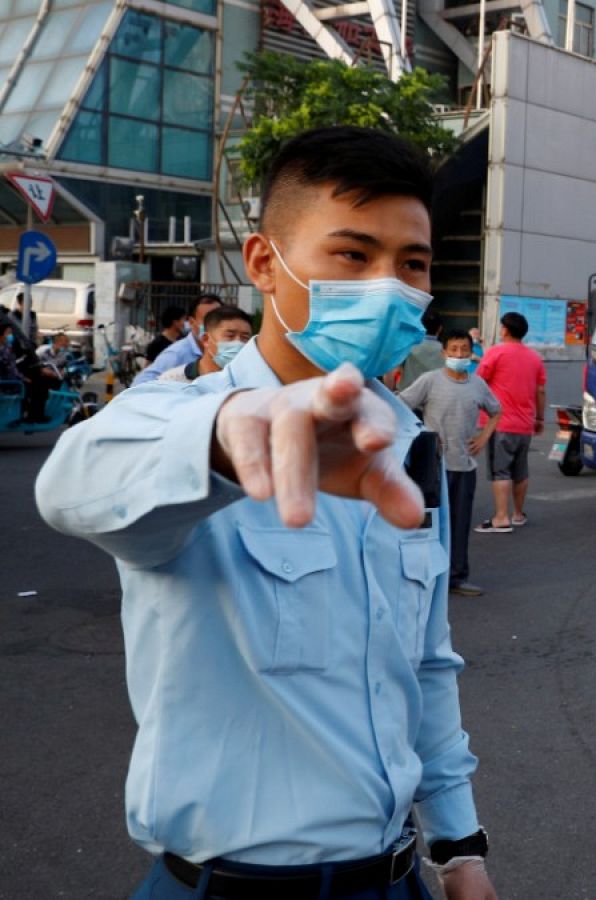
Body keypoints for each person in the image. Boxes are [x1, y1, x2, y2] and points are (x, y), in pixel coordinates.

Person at [34, 126, 498, 900]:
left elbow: (423, 668)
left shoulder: (401, 449)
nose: (389, 286)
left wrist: (461, 846)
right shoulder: (181, 420)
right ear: (264, 264)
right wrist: (226, 437)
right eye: (352, 255)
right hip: (229, 887)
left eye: (411, 264)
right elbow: (71, 484)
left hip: (397, 880)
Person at [401, 329, 501, 597]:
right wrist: (418, 436)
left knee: (459, 524)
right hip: (432, 469)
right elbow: (400, 404)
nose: (459, 355)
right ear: (444, 353)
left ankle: (457, 577)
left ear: (471, 353)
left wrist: (483, 436)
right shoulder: (430, 380)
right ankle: (423, 576)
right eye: (454, 350)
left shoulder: (478, 385)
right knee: (427, 525)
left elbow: (496, 411)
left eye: (464, 350)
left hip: (464, 467)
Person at [475, 311, 545, 533]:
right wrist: (540, 418)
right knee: (520, 471)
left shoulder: (496, 353)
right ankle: (517, 514)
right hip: (525, 425)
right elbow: (540, 390)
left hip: (500, 424)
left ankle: (501, 517)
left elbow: (478, 382)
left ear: (505, 329)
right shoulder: (535, 358)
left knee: (501, 471)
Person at [133, 293, 222, 385]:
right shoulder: (176, 354)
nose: (215, 325)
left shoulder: (225, 352)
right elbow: (139, 385)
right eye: (208, 319)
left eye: (219, 319)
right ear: (192, 322)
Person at [158, 305, 253, 384]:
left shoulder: (250, 383)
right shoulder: (172, 381)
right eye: (230, 336)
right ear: (206, 339)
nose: (238, 342)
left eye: (245, 338)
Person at [392, 307, 445, 391]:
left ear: (419, 326)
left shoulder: (407, 346)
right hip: (436, 397)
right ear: (440, 328)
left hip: (407, 397)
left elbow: (393, 371)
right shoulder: (447, 351)